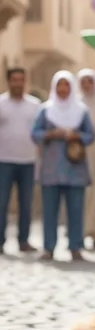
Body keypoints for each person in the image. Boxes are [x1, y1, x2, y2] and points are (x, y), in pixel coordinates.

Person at [31, 71, 95, 261]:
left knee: (76, 209)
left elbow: (90, 135)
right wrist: (51, 134)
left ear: (71, 87)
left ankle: (75, 246)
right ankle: (49, 247)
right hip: (51, 168)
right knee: (50, 210)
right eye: (59, 85)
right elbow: (34, 133)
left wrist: (76, 136)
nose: (63, 89)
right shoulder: (45, 110)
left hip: (75, 168)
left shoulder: (81, 111)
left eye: (66, 85)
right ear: (54, 87)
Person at [0, 68, 41, 254]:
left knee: (26, 204)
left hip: (28, 161)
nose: (17, 83)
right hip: (4, 161)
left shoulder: (35, 105)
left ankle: (23, 241)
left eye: (21, 80)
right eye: (14, 80)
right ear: (8, 81)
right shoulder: (1, 103)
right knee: (2, 203)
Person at [77, 69, 95, 250]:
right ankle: (79, 232)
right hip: (80, 153)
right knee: (83, 192)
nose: (87, 85)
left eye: (90, 81)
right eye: (84, 82)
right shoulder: (76, 104)